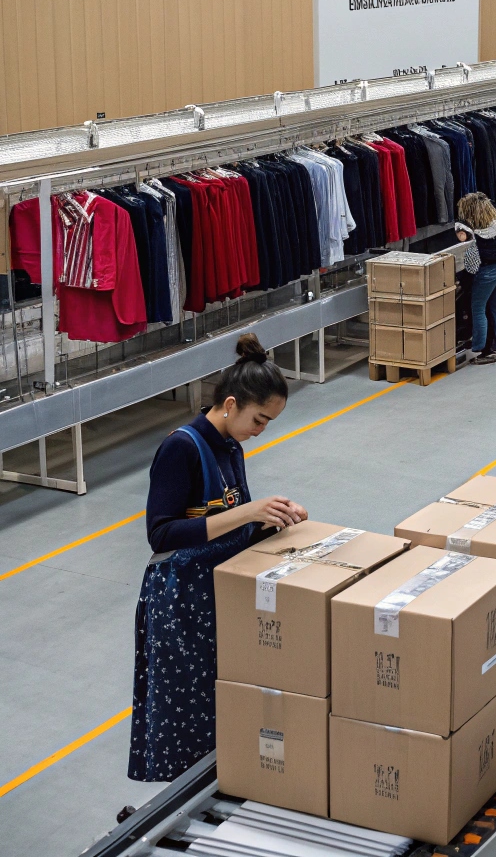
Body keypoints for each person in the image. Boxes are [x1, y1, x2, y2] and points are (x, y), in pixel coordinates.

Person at [128, 333, 308, 783]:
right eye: (259, 419)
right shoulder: (181, 448)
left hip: (214, 596)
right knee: (184, 708)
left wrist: (274, 519)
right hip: (179, 603)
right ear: (230, 404)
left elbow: (233, 523)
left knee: (219, 702)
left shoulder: (230, 448)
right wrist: (247, 511)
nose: (261, 429)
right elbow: (162, 534)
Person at [455, 192, 496, 365]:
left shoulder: (474, 235)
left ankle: (483, 347)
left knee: (478, 308)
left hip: (485, 272)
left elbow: (471, 266)